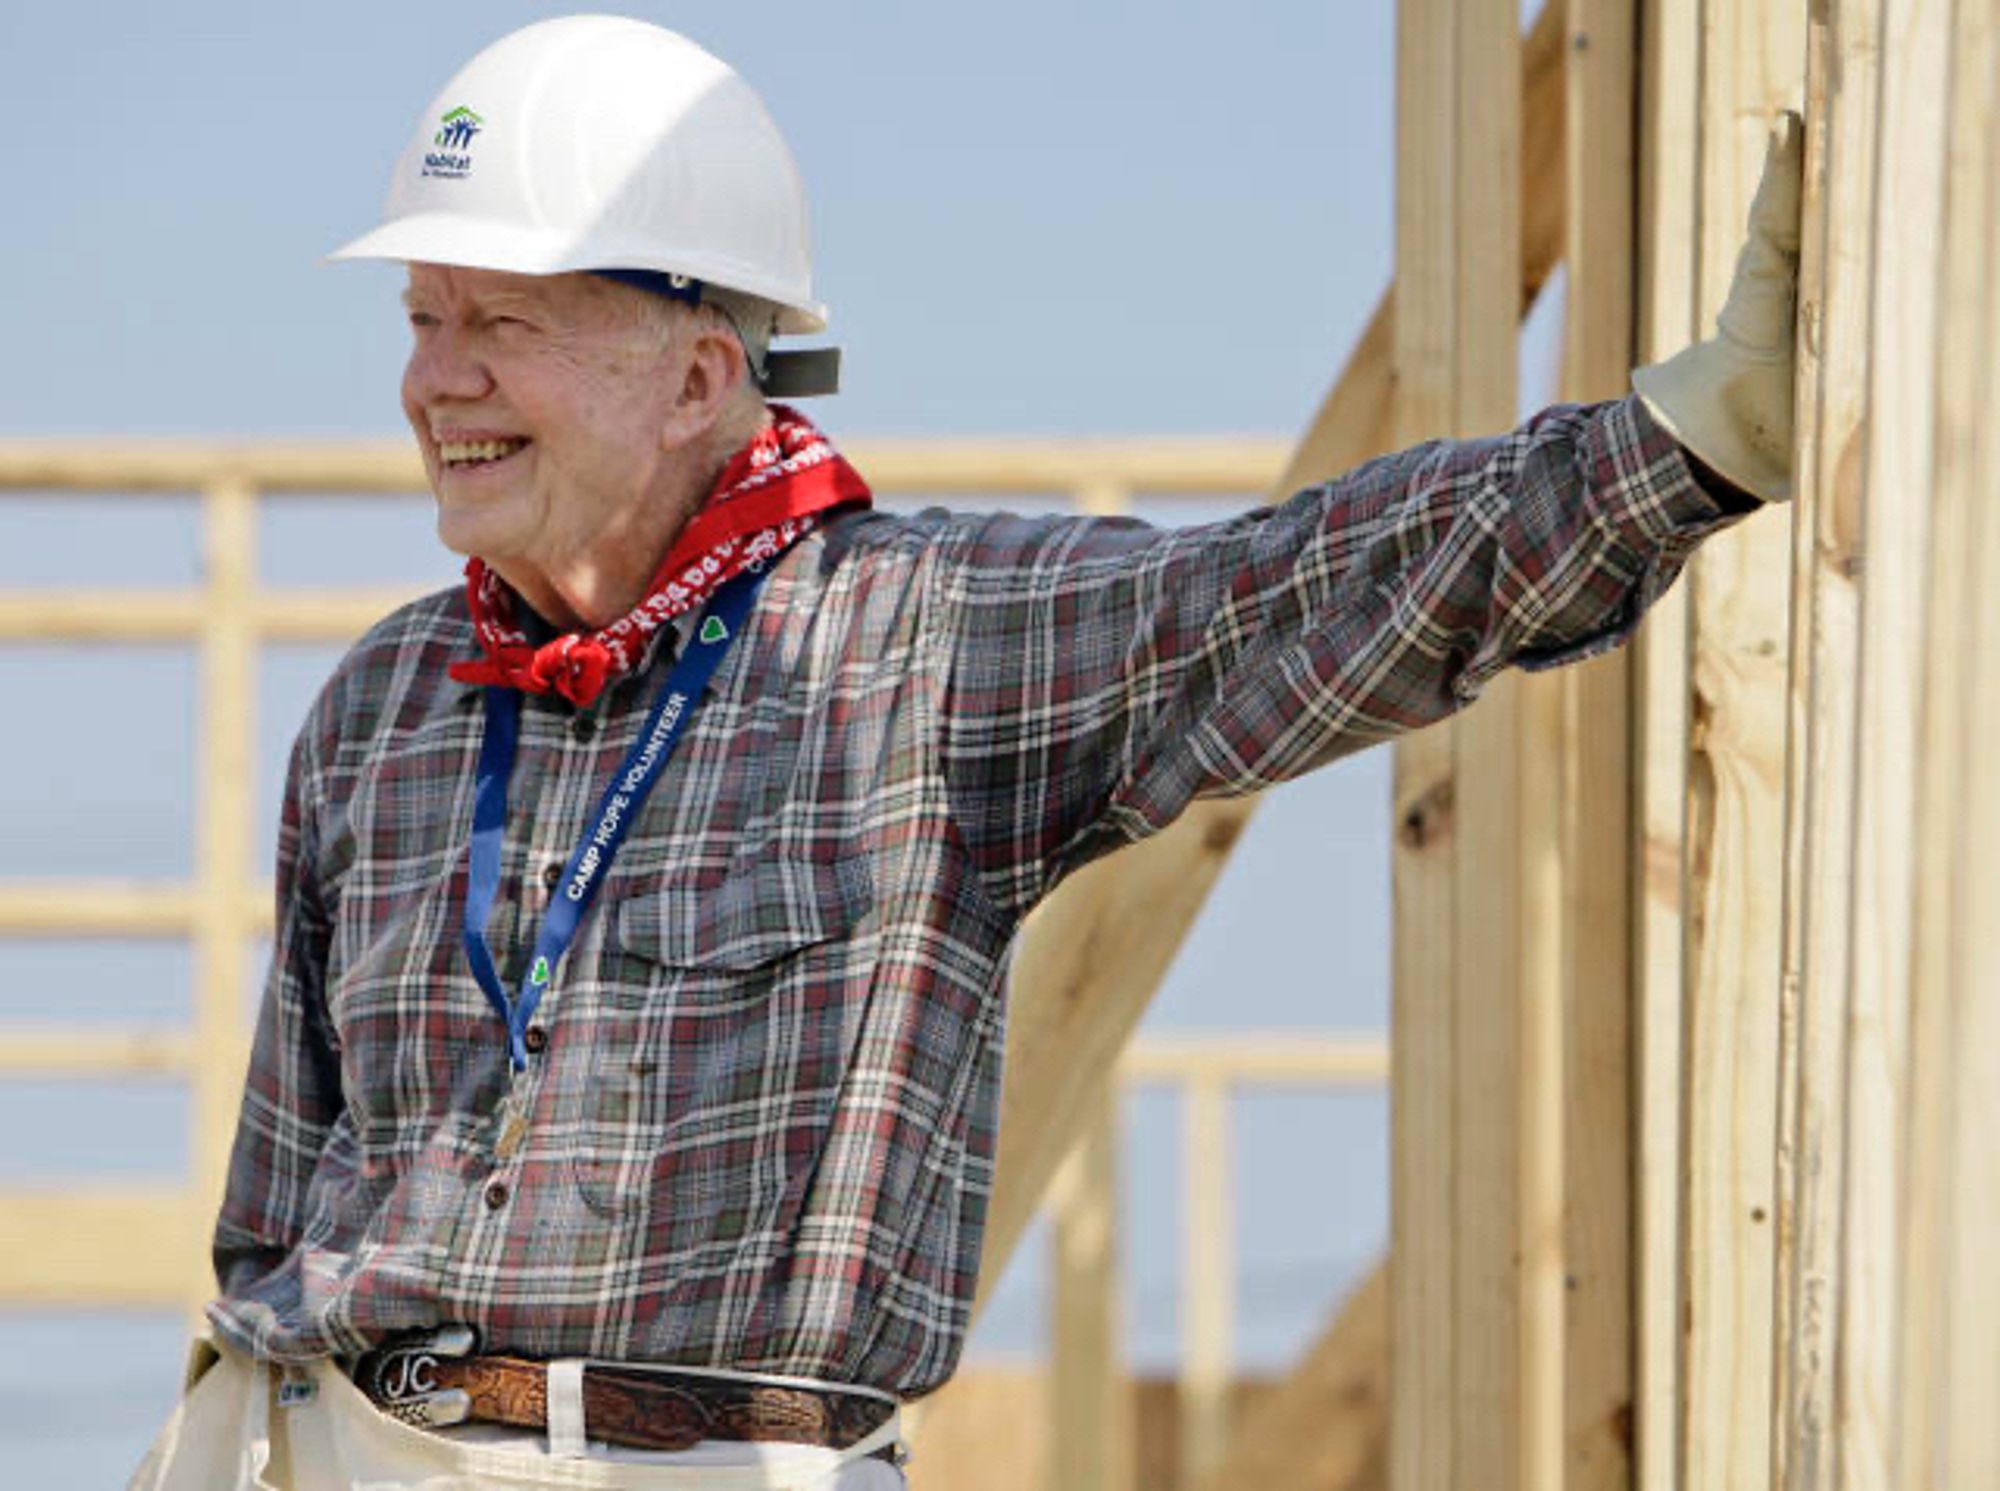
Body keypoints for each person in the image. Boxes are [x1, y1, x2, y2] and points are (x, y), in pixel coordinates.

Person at [129, 16, 1799, 1491]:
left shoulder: (919, 648)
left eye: (499, 319)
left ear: (700, 370)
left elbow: (1286, 596)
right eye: (423, 319)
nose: (435, 381)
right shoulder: (386, 708)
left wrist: (1687, 443)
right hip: (328, 1445)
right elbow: (278, 1198)